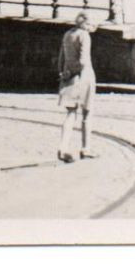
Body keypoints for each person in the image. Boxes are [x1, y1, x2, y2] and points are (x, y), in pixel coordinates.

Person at [56, 11, 97, 163]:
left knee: (70, 114)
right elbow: (83, 60)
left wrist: (63, 73)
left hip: (68, 77)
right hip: (83, 77)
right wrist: (74, 72)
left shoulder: (67, 34)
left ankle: (63, 147)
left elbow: (61, 57)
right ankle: (86, 148)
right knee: (87, 113)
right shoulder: (84, 36)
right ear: (86, 23)